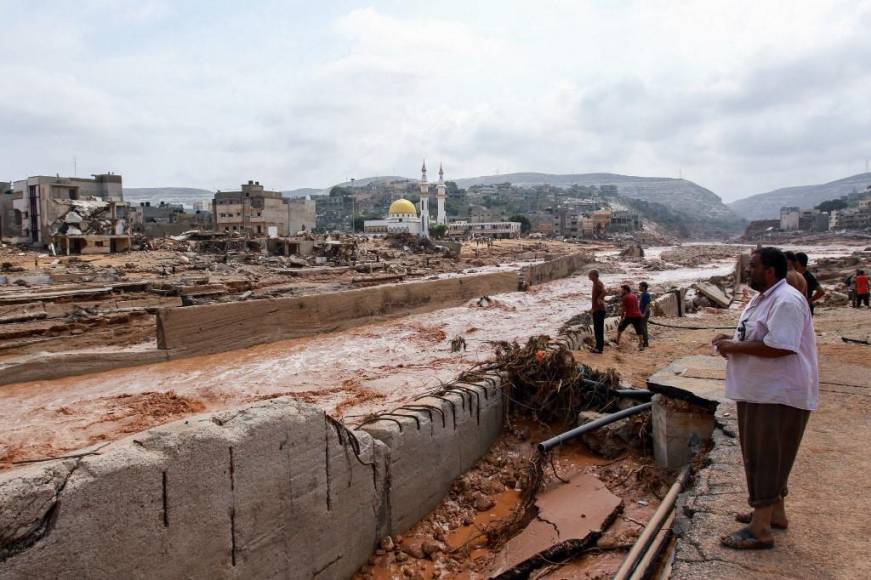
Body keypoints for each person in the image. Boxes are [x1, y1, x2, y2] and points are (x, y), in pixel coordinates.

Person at [712, 247, 818, 550]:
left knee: (767, 456)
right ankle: (774, 513)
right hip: (760, 390)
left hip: (777, 393)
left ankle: (760, 529)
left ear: (770, 271)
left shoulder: (786, 301)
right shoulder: (765, 298)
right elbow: (755, 336)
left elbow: (781, 346)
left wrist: (735, 348)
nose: (748, 271)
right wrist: (730, 342)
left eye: (754, 266)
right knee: (765, 454)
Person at [615, 284, 645, 350]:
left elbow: (623, 310)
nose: (621, 291)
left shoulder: (625, 297)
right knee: (639, 330)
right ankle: (641, 344)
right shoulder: (634, 295)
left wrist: (621, 319)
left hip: (630, 315)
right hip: (638, 315)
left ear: (625, 290)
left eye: (622, 290)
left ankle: (617, 342)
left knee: (620, 328)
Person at [588, 270, 606, 353]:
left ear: (594, 275)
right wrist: (593, 308)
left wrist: (599, 298)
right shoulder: (596, 283)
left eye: (590, 275)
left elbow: (605, 291)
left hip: (599, 310)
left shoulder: (598, 283)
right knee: (597, 329)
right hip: (597, 309)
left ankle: (599, 348)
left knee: (598, 329)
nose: (588, 276)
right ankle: (598, 347)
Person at [638, 281, 652, 348]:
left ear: (643, 287)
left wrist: (644, 313)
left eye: (640, 286)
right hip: (642, 312)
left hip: (644, 312)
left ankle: (645, 343)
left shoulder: (646, 294)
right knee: (643, 327)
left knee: (643, 327)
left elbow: (647, 305)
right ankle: (645, 342)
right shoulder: (643, 294)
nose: (639, 287)